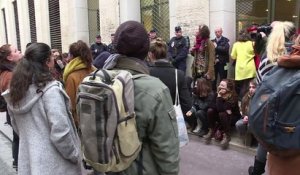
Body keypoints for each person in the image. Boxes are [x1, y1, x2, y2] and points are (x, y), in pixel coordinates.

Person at [103, 20, 179, 175]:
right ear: (146, 51)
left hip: (108, 167)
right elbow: (166, 149)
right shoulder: (155, 90)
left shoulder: (99, 80)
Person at [3, 43, 83, 175]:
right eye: (52, 58)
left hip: (29, 162)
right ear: (47, 62)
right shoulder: (51, 91)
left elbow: (16, 126)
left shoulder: (16, 92)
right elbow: (61, 132)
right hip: (56, 165)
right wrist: (74, 154)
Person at [249, 21, 298, 175]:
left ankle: (257, 169)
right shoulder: (290, 55)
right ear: (293, 35)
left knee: (269, 132)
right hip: (293, 125)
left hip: (271, 111)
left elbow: (259, 85)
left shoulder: (269, 56)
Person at [148, 37, 192, 130]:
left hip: (152, 123)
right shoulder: (178, 74)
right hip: (171, 123)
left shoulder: (147, 73)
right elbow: (187, 104)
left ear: (151, 54)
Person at [0, 44, 23, 170]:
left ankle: (17, 162)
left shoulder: (8, 72)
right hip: (16, 113)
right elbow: (16, 98)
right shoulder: (10, 75)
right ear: (9, 57)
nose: (19, 51)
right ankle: (19, 164)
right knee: (19, 138)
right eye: (15, 50)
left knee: (17, 138)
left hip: (13, 113)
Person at [63, 40, 95, 127]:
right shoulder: (95, 70)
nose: (67, 58)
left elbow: (70, 105)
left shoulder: (71, 76)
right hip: (96, 117)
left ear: (72, 56)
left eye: (69, 54)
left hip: (81, 122)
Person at [204, 79, 241, 149]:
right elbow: (211, 105)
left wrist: (219, 98)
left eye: (223, 85)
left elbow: (220, 109)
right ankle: (212, 130)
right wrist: (219, 96)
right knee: (210, 110)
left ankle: (227, 135)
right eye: (220, 85)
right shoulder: (217, 94)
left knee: (222, 114)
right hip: (223, 115)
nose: (220, 87)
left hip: (232, 118)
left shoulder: (233, 97)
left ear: (228, 88)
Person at [231, 30, 256, 100]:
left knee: (242, 87)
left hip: (240, 69)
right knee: (248, 86)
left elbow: (233, 56)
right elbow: (256, 53)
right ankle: (247, 101)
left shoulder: (236, 44)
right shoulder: (252, 43)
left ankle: (242, 101)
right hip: (250, 68)